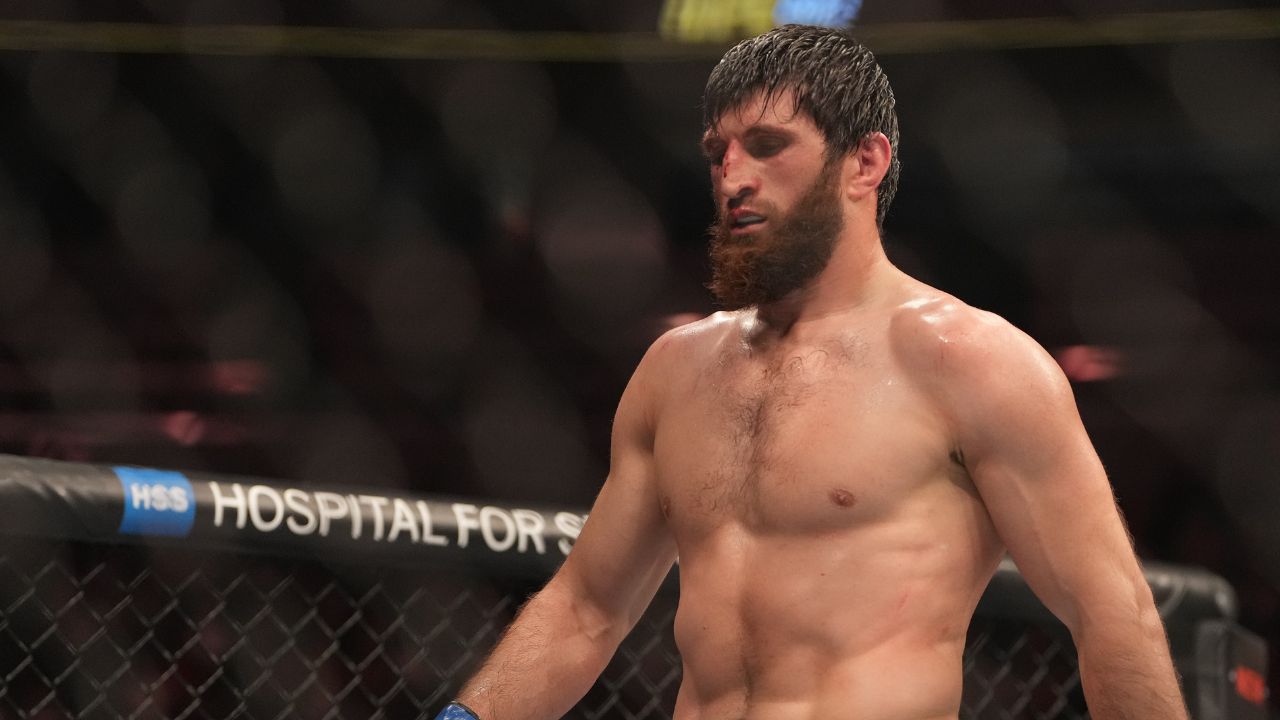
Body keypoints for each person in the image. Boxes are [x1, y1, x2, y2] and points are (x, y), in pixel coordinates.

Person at [435, 24, 1188, 720]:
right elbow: (585, 609)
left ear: (865, 162)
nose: (733, 177)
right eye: (718, 153)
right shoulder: (675, 372)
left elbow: (1111, 611)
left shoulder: (971, 363)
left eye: (767, 145)